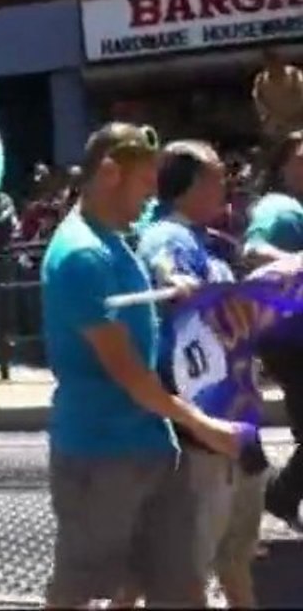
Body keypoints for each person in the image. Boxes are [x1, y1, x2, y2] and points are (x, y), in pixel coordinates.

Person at [40, 123, 244, 608]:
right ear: (110, 173)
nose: (152, 194)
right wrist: (204, 426)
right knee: (78, 590)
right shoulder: (82, 256)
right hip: (101, 455)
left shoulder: (113, 238)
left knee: (180, 589)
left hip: (150, 447)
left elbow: (156, 247)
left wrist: (174, 282)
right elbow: (131, 376)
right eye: (144, 182)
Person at [135, 140, 266, 608]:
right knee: (187, 570)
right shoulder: (167, 238)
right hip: (202, 426)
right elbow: (162, 267)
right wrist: (175, 282)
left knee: (236, 556)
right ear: (186, 186)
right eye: (214, 176)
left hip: (237, 416)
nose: (224, 184)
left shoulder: (210, 241)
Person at [244, 130, 303, 532]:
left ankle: (280, 497)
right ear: (282, 166)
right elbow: (253, 250)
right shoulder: (277, 208)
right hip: (290, 339)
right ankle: (277, 496)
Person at [252, 48, 303, 139]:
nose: (273, 66)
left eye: (275, 61)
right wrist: (275, 119)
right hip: (277, 127)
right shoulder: (261, 80)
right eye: (269, 63)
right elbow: (259, 103)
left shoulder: (294, 75)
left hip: (298, 122)